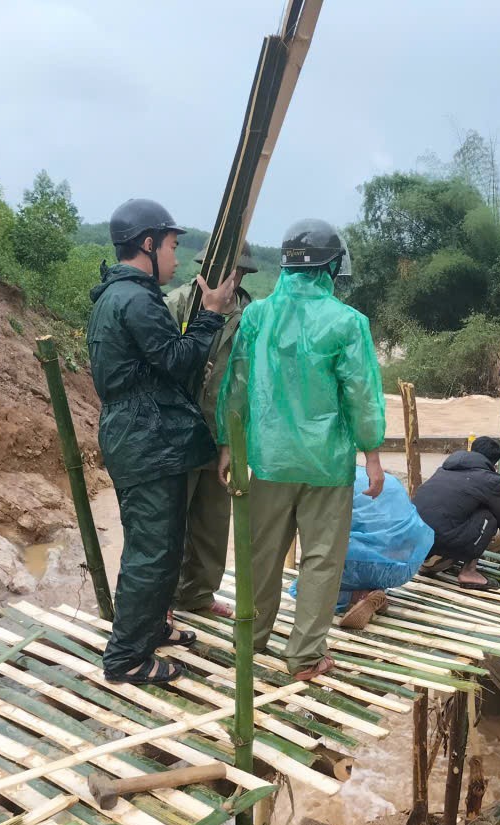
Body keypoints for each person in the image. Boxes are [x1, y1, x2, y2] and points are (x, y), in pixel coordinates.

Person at [217, 218, 386, 682]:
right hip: (327, 464)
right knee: (320, 559)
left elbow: (237, 384)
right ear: (332, 267)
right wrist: (371, 454)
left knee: (260, 554)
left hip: (267, 459)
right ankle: (306, 656)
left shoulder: (256, 316)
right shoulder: (348, 323)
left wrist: (230, 446)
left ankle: (249, 640)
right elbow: (361, 394)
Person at [86, 198, 237, 686]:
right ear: (148, 244)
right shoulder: (135, 298)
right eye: (172, 246)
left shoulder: (122, 296)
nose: (175, 258)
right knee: (151, 551)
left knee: (162, 545)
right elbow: (178, 359)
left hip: (145, 433)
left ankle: (153, 626)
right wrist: (211, 313)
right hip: (146, 437)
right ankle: (127, 657)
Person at [164, 243, 260, 620]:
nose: (231, 279)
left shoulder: (251, 317)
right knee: (170, 520)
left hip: (223, 432)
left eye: (239, 273)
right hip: (178, 430)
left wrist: (233, 445)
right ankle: (160, 600)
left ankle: (198, 595)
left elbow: (249, 384)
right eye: (225, 270)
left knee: (213, 522)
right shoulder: (177, 305)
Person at [290, 466, 434, 630]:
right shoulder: (388, 480)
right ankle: (373, 591)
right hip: (402, 566)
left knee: (300, 588)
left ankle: (352, 596)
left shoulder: (331, 481)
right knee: (375, 562)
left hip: (356, 562)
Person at [414, 436, 500, 590]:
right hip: (441, 541)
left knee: (450, 514)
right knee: (491, 514)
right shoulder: (491, 481)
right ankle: (469, 572)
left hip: (414, 542)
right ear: (493, 463)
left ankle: (427, 564)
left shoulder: (443, 470)